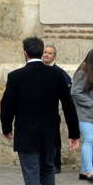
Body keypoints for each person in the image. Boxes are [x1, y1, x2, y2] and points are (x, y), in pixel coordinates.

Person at [0, 37, 79, 185]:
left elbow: (7, 105)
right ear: (41, 51)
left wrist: (6, 127)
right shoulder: (55, 75)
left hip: (26, 134)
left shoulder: (16, 76)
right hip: (49, 134)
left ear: (25, 53)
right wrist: (74, 133)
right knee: (47, 173)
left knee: (31, 177)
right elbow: (68, 105)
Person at [71, 48, 93, 182]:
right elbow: (75, 92)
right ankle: (90, 172)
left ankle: (83, 171)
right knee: (89, 140)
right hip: (85, 113)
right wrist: (90, 102)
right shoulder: (83, 72)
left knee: (89, 141)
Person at [41, 44, 72, 173]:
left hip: (53, 111)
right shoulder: (39, 69)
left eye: (50, 53)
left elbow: (68, 85)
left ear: (54, 56)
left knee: (54, 140)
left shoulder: (59, 72)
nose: (47, 55)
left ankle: (55, 164)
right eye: (45, 52)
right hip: (39, 111)